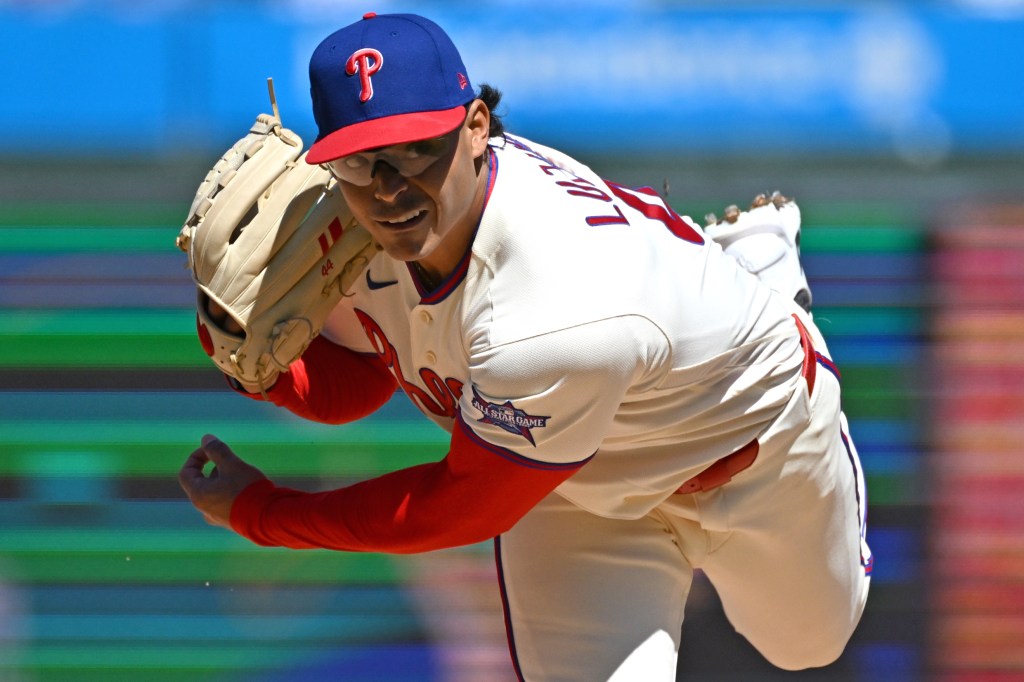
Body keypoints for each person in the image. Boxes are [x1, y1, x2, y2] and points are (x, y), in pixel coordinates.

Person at [178, 11, 872, 681]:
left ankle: (758, 274)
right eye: (362, 159)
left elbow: (460, 508)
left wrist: (263, 513)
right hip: (567, 484)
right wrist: (251, 357)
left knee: (806, 644)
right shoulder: (353, 237)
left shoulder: (549, 306)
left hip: (743, 443)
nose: (390, 189)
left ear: (476, 127)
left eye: (417, 149)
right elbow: (361, 382)